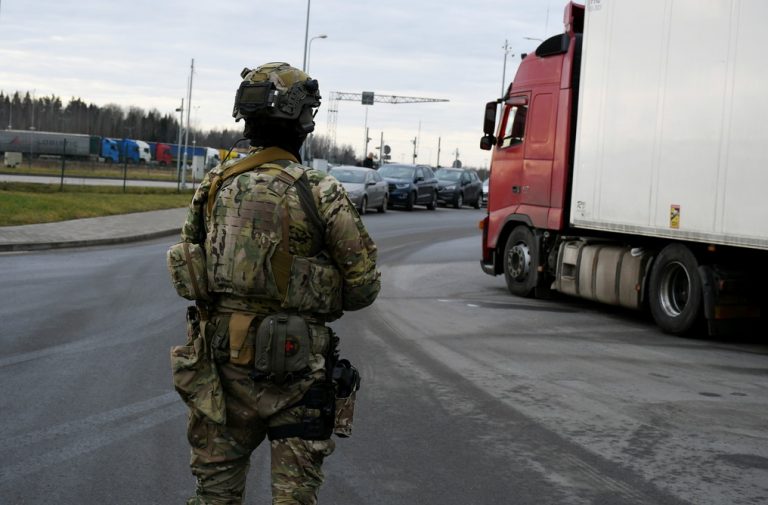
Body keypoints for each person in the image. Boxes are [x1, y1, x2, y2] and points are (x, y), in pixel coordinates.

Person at [168, 62, 381, 505]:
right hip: (296, 376)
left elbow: (191, 262)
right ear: (302, 122)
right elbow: (363, 287)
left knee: (214, 496)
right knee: (294, 498)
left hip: (221, 374)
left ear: (245, 119)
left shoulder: (214, 186)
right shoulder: (320, 191)